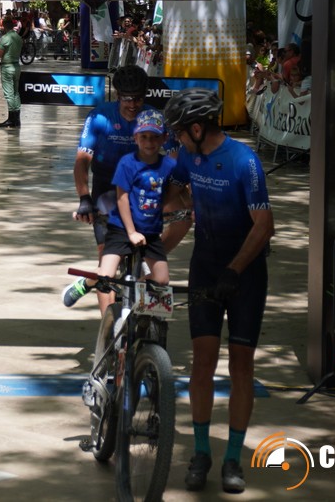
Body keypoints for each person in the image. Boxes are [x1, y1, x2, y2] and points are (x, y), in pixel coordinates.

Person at [161, 88, 273, 494]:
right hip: (205, 266)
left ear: (196, 128)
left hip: (245, 273)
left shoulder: (245, 161)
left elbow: (265, 226)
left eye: (178, 131)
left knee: (241, 365)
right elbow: (171, 195)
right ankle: (202, 452)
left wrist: (235, 269)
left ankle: (233, 459)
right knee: (202, 363)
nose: (174, 137)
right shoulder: (187, 156)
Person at [69, 66, 160, 309]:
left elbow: (173, 161)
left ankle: (91, 283)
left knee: (154, 262)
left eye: (138, 98)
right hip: (106, 188)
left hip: (143, 191)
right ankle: (109, 327)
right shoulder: (100, 117)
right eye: (127, 98)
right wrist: (84, 198)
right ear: (117, 95)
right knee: (107, 257)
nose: (132, 104)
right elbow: (82, 161)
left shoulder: (154, 117)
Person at [63, 110, 175, 307]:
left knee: (162, 280)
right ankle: (86, 283)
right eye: (144, 137)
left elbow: (176, 190)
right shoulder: (127, 163)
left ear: (164, 138)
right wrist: (131, 232)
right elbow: (122, 198)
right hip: (122, 229)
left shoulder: (170, 165)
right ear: (135, 138)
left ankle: (135, 301)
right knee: (106, 275)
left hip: (150, 232)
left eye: (155, 137)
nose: (149, 142)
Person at [0, 16, 23, 128]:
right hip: (16, 66)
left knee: (9, 94)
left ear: (4, 26)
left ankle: (11, 118)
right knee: (16, 93)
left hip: (7, 67)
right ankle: (17, 119)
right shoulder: (18, 37)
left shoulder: (5, 38)